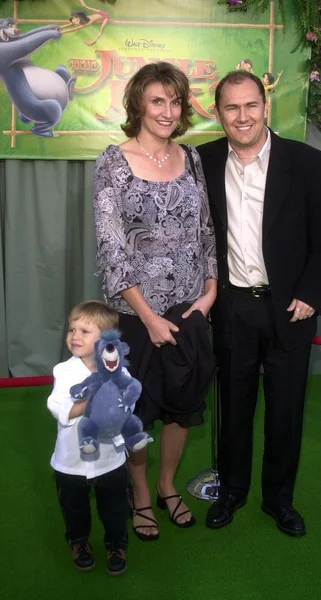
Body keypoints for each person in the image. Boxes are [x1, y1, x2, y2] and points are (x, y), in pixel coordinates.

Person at [197, 71, 321, 536]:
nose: (243, 117)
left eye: (251, 106)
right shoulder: (200, 162)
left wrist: (310, 295)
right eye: (232, 108)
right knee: (233, 411)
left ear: (265, 106)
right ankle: (232, 492)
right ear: (218, 113)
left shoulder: (307, 162)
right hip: (232, 309)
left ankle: (279, 500)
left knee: (285, 414)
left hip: (288, 310)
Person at [93, 62, 218, 541]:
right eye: (157, 101)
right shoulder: (113, 161)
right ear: (138, 106)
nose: (168, 111)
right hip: (135, 314)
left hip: (188, 310)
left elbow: (207, 230)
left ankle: (168, 487)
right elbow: (111, 247)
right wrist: (146, 316)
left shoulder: (191, 157)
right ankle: (141, 493)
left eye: (175, 101)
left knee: (184, 405)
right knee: (136, 414)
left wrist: (210, 292)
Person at [47, 301, 132, 575]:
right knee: (75, 509)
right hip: (71, 461)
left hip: (111, 459)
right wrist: (90, 402)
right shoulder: (63, 371)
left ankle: (116, 544)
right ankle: (79, 542)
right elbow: (59, 407)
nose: (75, 336)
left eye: (84, 330)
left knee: (115, 507)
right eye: (72, 329)